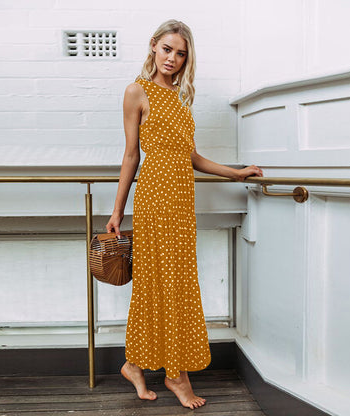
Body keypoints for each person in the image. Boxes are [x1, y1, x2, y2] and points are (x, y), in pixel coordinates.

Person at [106, 19, 263, 410]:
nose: (172, 59)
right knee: (155, 283)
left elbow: (191, 156)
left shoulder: (180, 97)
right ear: (153, 46)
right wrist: (117, 211)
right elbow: (131, 155)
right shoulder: (136, 91)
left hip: (181, 201)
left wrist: (235, 173)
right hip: (154, 199)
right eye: (167, 49)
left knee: (176, 282)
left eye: (180, 53)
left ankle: (134, 365)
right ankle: (175, 375)